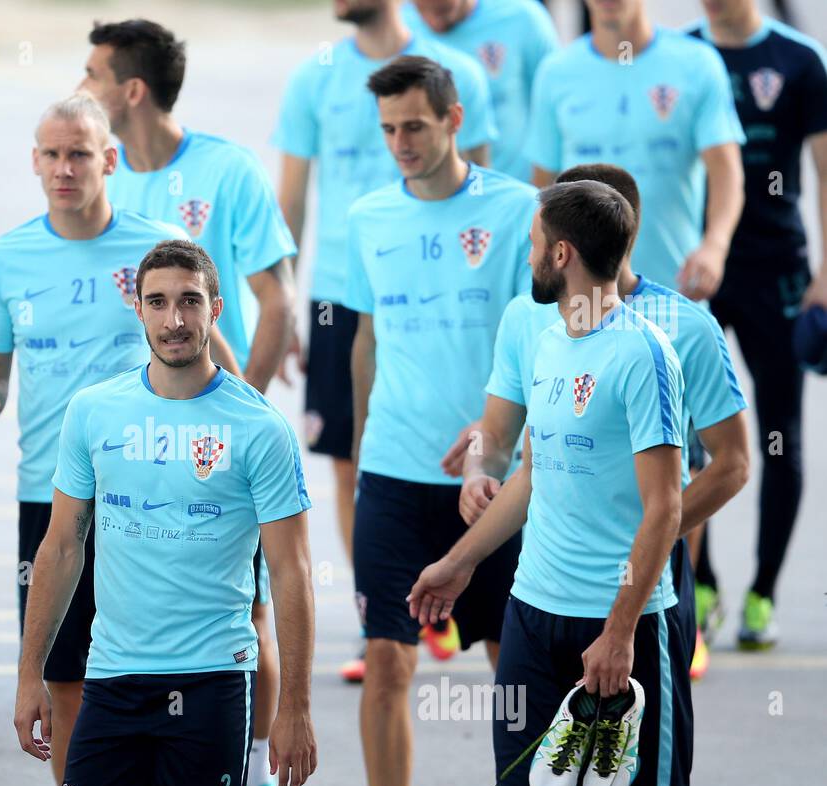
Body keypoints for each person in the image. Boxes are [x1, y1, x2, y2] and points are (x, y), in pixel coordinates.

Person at [447, 162, 748, 786]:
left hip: (637, 602)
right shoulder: (538, 325)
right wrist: (464, 530)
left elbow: (730, 466)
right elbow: (519, 450)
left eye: (534, 240)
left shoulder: (674, 334)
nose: (525, 254)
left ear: (569, 249)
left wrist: (641, 545)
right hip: (537, 603)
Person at [13, 240, 317, 786]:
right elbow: (61, 546)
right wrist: (28, 672)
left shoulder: (259, 427)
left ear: (215, 308)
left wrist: (293, 706)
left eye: (188, 301)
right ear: (138, 307)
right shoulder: (94, 412)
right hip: (114, 677)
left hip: (212, 679)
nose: (173, 319)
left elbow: (291, 572)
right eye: (157, 301)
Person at [0, 93, 190, 786]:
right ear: (34, 162)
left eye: (80, 154)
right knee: (65, 679)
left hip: (148, 497)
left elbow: (205, 353)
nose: (64, 169)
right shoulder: (6, 260)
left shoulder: (157, 250)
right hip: (49, 501)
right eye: (51, 155)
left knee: (149, 673)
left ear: (109, 160)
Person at [79, 18, 299, 786]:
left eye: (93, 72)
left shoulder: (226, 169)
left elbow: (276, 300)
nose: (83, 84)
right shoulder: (97, 172)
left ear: (130, 89)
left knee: (245, 611)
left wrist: (243, 409)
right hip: (130, 433)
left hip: (215, 433)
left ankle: (250, 777)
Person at [345, 56, 537, 786]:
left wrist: (505, 445)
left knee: (516, 671)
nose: (400, 144)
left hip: (491, 482)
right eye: (387, 129)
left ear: (454, 118)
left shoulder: (518, 208)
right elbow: (364, 339)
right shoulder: (367, 214)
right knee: (387, 659)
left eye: (414, 126)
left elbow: (544, 339)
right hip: (391, 471)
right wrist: (357, 455)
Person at [274, 0, 498, 685]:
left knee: (472, 451)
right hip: (345, 293)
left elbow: (483, 193)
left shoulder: (451, 71)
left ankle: (456, 593)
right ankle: (390, 613)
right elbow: (293, 196)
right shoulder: (314, 75)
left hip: (446, 299)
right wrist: (282, 298)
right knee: (351, 460)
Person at [688, 0, 827, 649]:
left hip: (778, 272)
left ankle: (764, 591)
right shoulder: (683, 55)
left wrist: (826, 272)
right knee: (686, 433)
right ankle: (703, 581)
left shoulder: (799, 60)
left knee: (779, 433)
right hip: (697, 273)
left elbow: (825, 168)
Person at [526, 0, 745, 302]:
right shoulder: (555, 73)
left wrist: (714, 247)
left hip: (674, 291)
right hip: (585, 302)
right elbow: (542, 186)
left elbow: (726, 172)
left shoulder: (697, 63)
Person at [404, 0, 559, 182]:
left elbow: (555, 102)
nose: (433, 22)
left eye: (443, 10)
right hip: (437, 192)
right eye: (421, 8)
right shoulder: (402, 28)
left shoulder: (522, 17)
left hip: (517, 186)